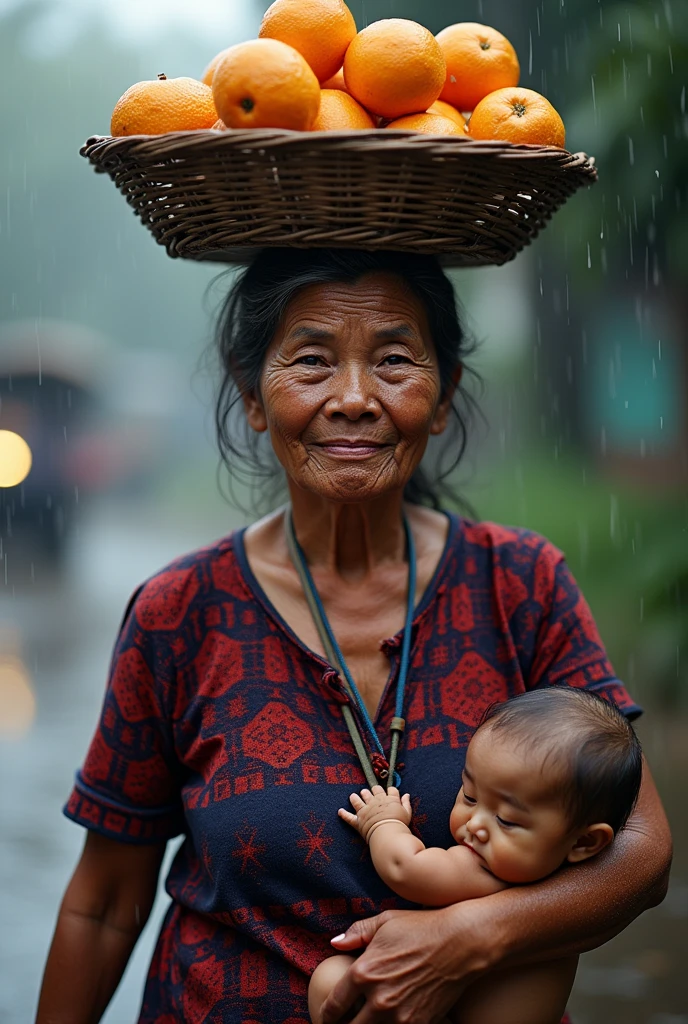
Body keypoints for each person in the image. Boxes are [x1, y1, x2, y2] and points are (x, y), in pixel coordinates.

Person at [36, 249, 671, 1024]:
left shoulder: (521, 585)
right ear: (252, 396)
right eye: (311, 361)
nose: (355, 398)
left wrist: (468, 938)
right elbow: (103, 906)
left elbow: (640, 854)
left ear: (443, 398)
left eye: (395, 360)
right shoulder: (179, 611)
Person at [308, 687, 643, 1024]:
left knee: (331, 977)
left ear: (584, 841)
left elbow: (405, 868)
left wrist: (384, 822)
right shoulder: (564, 888)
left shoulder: (487, 872)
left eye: (507, 820)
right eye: (469, 795)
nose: (476, 823)